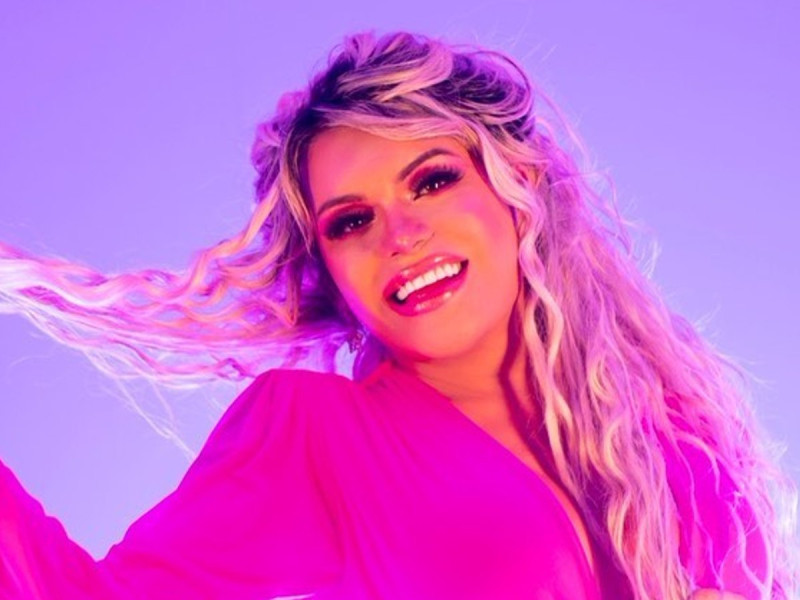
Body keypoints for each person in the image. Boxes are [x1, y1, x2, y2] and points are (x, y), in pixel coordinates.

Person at [0, 30, 796, 600]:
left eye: (433, 181)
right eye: (352, 221)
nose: (401, 236)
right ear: (328, 271)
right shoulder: (316, 438)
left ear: (517, 185)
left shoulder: (677, 435)